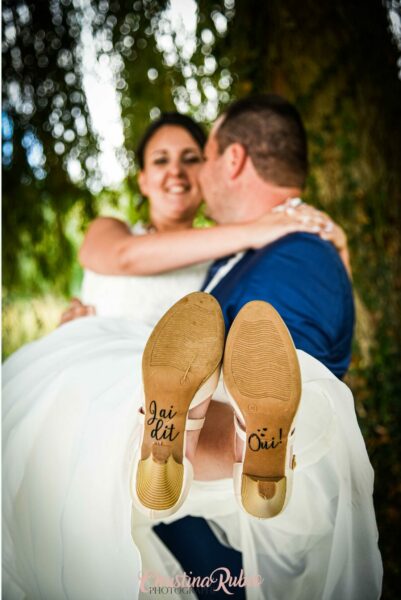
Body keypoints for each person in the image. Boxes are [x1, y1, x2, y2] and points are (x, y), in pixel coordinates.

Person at [1, 104, 381, 600]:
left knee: (123, 394)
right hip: (103, 354)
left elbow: (266, 343)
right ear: (141, 179)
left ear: (223, 164)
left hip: (122, 389)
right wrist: (269, 227)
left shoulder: (233, 258)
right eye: (160, 160)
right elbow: (122, 256)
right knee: (116, 378)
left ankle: (182, 441)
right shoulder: (136, 233)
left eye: (193, 157)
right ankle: (236, 445)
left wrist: (329, 247)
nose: (178, 172)